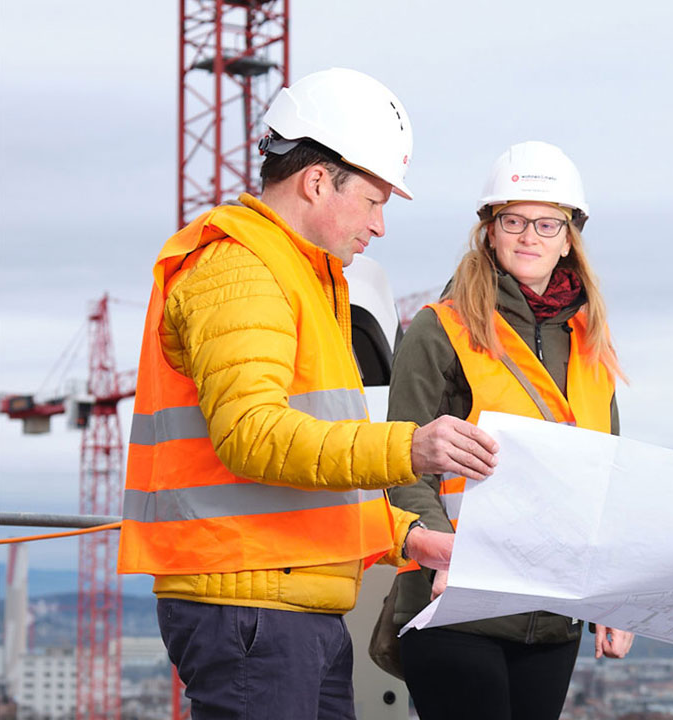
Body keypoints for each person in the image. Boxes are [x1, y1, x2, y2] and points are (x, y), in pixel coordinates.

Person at [117, 68, 497, 719]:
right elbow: (255, 438)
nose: (380, 225)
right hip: (249, 609)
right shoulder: (241, 268)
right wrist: (413, 446)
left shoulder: (301, 277)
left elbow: (309, 477)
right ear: (318, 179)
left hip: (282, 605)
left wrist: (407, 536)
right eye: (375, 200)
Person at [387, 140, 633, 719]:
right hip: (453, 604)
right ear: (489, 231)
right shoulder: (441, 328)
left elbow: (609, 484)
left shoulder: (592, 346)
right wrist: (435, 547)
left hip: (550, 615)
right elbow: (399, 455)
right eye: (514, 221)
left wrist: (615, 595)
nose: (530, 237)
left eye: (548, 224)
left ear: (570, 236)